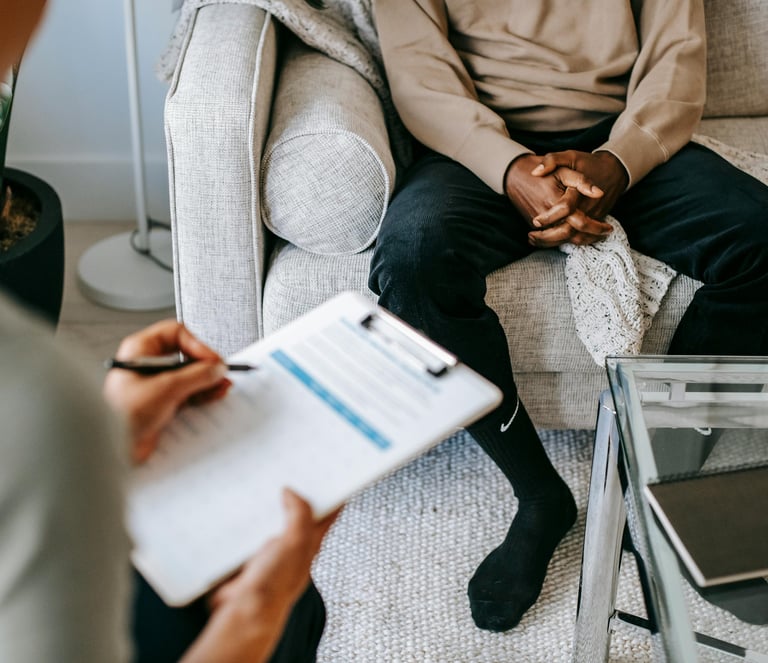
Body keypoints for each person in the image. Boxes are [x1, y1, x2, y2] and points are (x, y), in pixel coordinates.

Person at [369, 0, 768, 632]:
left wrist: (619, 161)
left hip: (621, 137)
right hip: (480, 148)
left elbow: (675, 58)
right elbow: (422, 80)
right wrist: (508, 169)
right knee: (413, 263)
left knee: (763, 240)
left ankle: (658, 479)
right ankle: (539, 496)